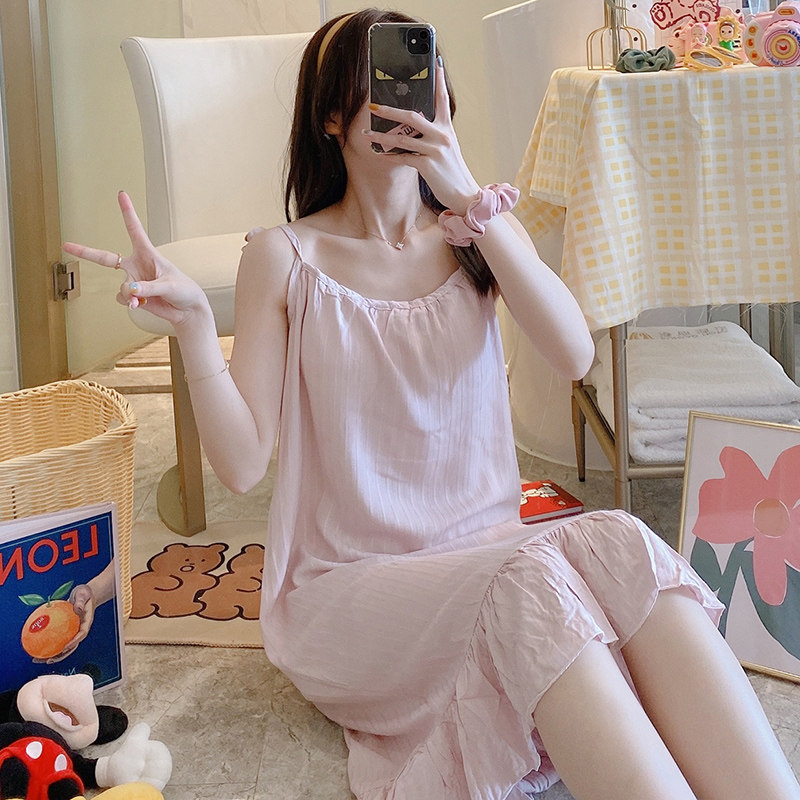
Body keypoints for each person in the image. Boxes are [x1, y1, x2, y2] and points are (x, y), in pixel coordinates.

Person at [63, 9, 800, 800]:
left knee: (616, 536)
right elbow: (242, 466)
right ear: (331, 117)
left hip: (489, 556)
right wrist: (195, 330)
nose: (404, 103)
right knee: (531, 583)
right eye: (379, 85)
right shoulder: (284, 256)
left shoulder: (475, 232)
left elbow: (573, 354)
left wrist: (470, 196)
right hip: (350, 591)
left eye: (420, 82)